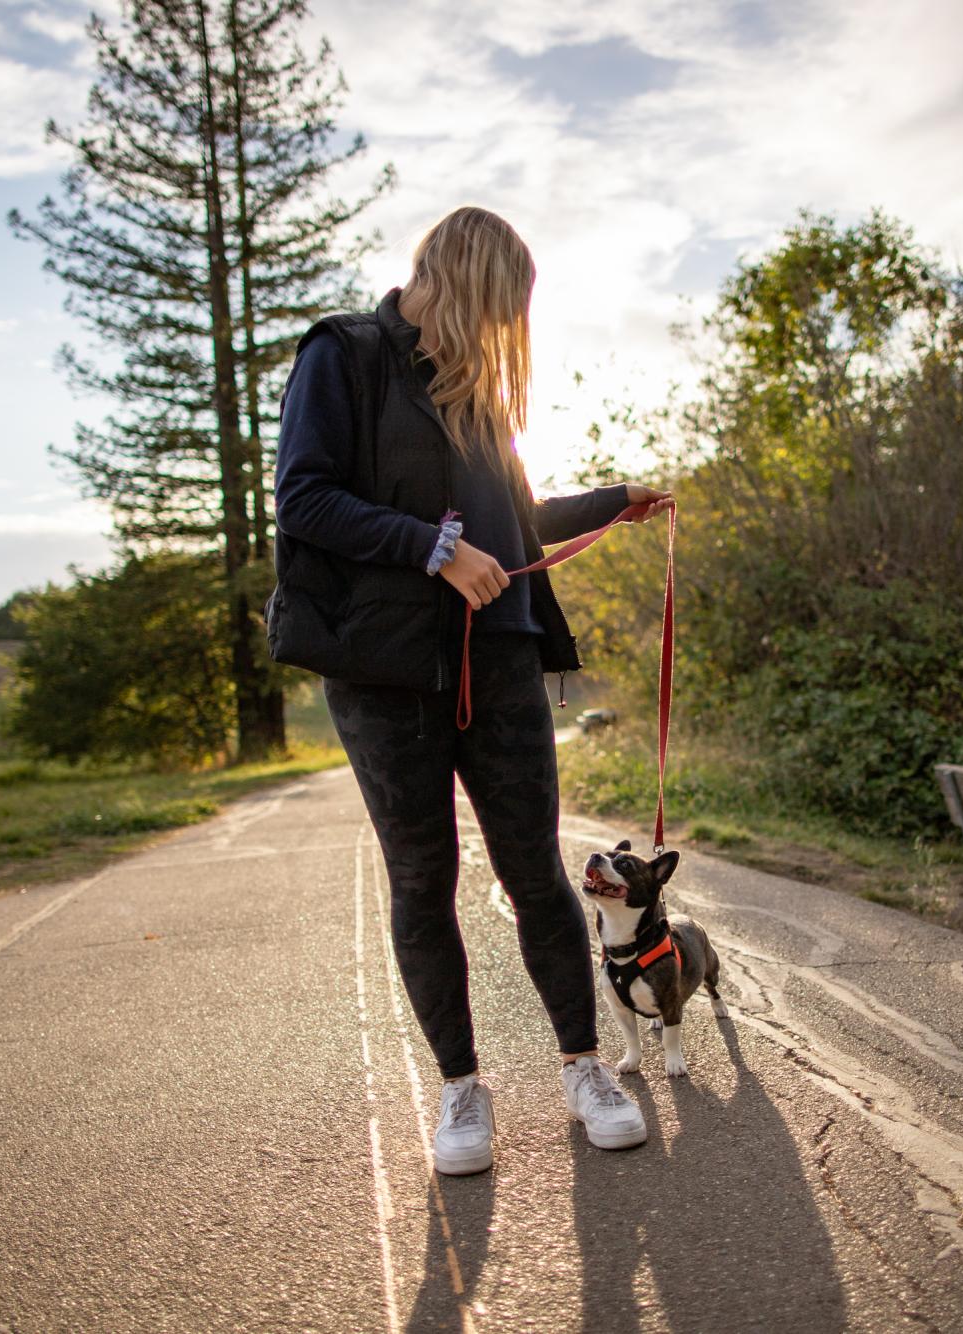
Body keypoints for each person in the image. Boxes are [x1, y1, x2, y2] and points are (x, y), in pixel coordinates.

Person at [271, 205, 673, 1175]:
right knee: (423, 877)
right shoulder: (345, 353)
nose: (501, 336)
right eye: (497, 310)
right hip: (385, 665)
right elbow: (306, 494)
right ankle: (461, 1089)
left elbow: (514, 518)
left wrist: (613, 498)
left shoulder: (480, 392)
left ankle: (585, 1068)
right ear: (455, 278)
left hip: (498, 654)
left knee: (535, 869)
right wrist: (434, 551)